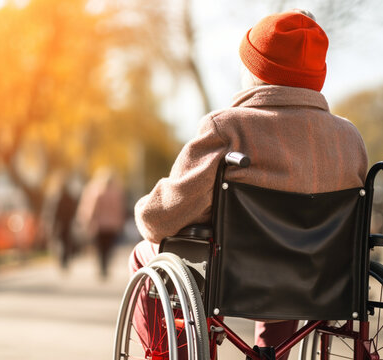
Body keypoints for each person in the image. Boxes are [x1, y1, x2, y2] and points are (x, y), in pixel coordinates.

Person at [128, 9, 368, 360]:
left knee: (143, 254)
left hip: (237, 280)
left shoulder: (229, 128)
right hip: (319, 280)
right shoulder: (350, 138)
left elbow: (160, 221)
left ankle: (167, 354)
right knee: (293, 261)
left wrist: (142, 207)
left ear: (257, 71)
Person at [76, 167, 125, 279]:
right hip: (112, 225)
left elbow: (91, 208)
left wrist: (86, 219)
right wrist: (120, 222)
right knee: (108, 247)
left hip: (99, 225)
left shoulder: (96, 191)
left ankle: (102, 267)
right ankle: (106, 266)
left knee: (100, 248)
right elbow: (119, 209)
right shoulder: (116, 193)